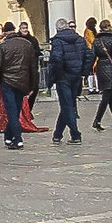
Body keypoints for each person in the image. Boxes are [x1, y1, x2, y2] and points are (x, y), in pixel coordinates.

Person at [0, 21, 39, 147]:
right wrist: (33, 84)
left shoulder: (2, 46)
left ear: (5, 33)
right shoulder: (27, 44)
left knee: (11, 111)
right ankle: (8, 136)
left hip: (7, 81)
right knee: (16, 109)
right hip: (23, 81)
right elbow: (33, 66)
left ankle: (18, 138)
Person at [47, 15, 89, 144]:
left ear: (57, 29)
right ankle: (57, 134)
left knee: (67, 106)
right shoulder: (79, 39)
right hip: (76, 75)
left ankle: (75, 134)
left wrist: (56, 75)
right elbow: (89, 54)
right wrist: (83, 71)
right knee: (68, 105)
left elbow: (57, 59)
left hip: (63, 77)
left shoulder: (57, 41)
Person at [91, 22, 112, 130]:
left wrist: (89, 68)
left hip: (101, 67)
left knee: (110, 95)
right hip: (110, 67)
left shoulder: (96, 40)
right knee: (106, 95)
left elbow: (92, 55)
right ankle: (97, 120)